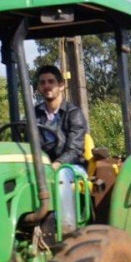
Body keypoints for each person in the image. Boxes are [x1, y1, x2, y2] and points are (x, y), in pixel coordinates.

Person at [34, 65, 88, 234]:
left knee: (62, 175)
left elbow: (75, 149)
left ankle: (67, 231)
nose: (47, 86)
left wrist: (57, 164)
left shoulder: (73, 113)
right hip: (43, 166)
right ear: (38, 87)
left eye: (51, 81)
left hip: (71, 166)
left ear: (61, 85)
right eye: (42, 82)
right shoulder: (33, 114)